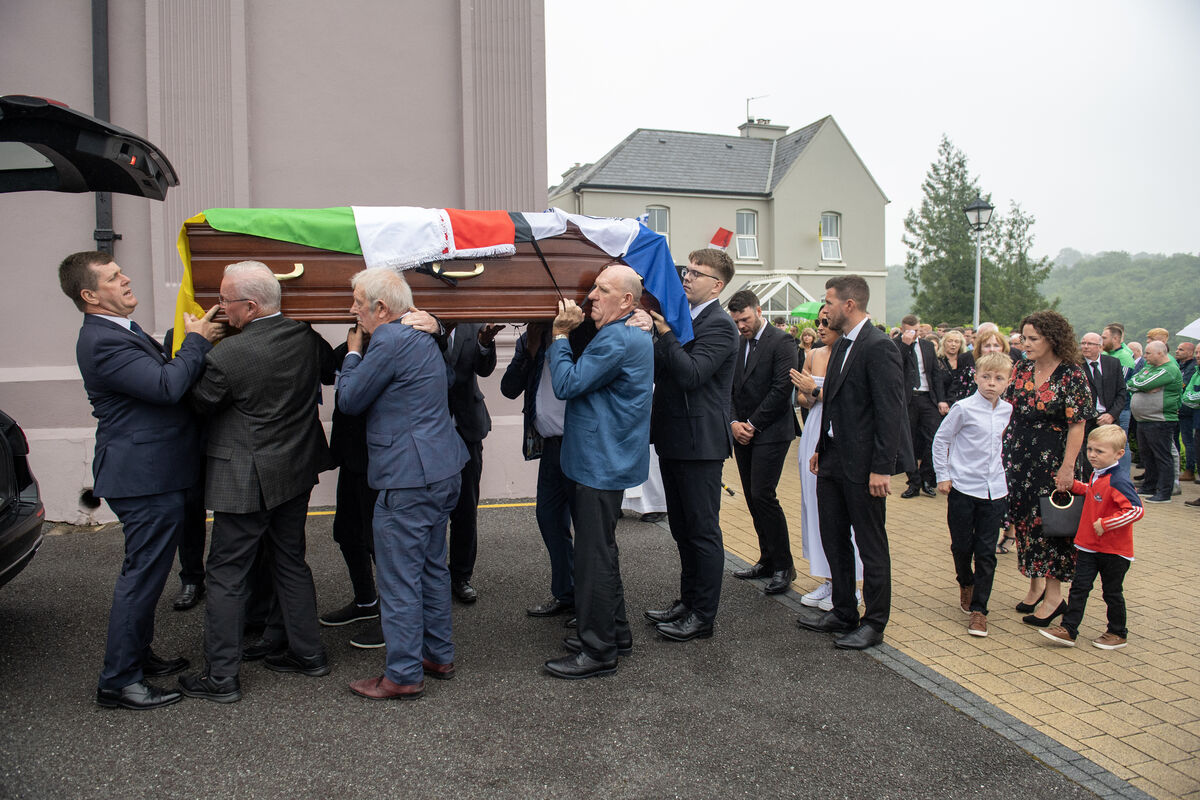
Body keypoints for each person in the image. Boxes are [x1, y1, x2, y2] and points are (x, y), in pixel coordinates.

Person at [60, 251, 220, 711]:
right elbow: (166, 386)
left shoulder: (118, 331)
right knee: (142, 578)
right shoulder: (101, 341)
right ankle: (119, 681)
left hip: (154, 471)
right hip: (143, 477)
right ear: (91, 295)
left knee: (146, 572)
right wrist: (195, 342)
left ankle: (138, 656)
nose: (126, 278)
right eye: (113, 277)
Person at [179, 261, 332, 704]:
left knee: (226, 574)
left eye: (225, 301)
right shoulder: (305, 335)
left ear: (250, 305)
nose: (219, 308)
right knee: (290, 560)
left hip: (244, 476)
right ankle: (309, 654)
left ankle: (221, 677)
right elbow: (327, 370)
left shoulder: (227, 355)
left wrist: (194, 343)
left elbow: (198, 404)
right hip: (295, 469)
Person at [336, 268, 469, 700]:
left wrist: (353, 354)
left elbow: (350, 400)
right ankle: (437, 654)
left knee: (398, 579)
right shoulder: (422, 334)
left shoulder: (388, 339)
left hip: (408, 478)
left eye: (357, 301)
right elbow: (447, 381)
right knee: (431, 567)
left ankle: (403, 673)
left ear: (380, 308)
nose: (352, 309)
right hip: (443, 468)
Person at [541, 265, 654, 679]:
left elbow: (567, 384)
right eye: (592, 288)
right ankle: (615, 633)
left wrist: (558, 335)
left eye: (602, 290)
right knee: (602, 551)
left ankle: (599, 650)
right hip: (605, 458)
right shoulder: (627, 332)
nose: (590, 296)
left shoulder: (617, 339)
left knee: (593, 558)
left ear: (627, 301)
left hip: (600, 461)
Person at [795, 275, 905, 650]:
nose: (824, 309)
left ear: (850, 305)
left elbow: (890, 412)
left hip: (864, 468)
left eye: (829, 301)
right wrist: (821, 447)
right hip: (832, 460)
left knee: (871, 545)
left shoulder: (878, 347)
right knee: (834, 537)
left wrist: (881, 468)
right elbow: (835, 402)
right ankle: (843, 610)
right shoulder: (841, 345)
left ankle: (874, 623)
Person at [642, 248, 739, 642]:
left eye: (696, 274)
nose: (686, 277)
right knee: (682, 528)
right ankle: (688, 601)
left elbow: (691, 375)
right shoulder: (686, 318)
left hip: (701, 443)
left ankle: (703, 616)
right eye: (686, 270)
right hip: (675, 438)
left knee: (702, 530)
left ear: (716, 285)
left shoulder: (719, 325)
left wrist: (665, 334)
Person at [1002, 310, 1094, 629]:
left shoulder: (1071, 374)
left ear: (1052, 339)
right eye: (1023, 337)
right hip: (1020, 455)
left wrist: (1068, 468)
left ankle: (1055, 598)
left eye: (1032, 339)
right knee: (1026, 522)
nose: (1025, 344)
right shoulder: (1022, 366)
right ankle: (1036, 585)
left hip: (1054, 457)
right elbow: (1007, 408)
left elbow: (1078, 424)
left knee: (1051, 525)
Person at [1039, 424, 1143, 649]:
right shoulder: (1098, 475)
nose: (1093, 456)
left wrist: (1106, 523)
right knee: (1079, 588)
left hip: (1114, 551)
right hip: (1088, 546)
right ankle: (1069, 629)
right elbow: (1094, 492)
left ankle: (1117, 632)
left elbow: (1136, 510)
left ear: (1119, 454)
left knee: (1112, 592)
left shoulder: (1119, 480)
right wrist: (1075, 486)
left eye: (1100, 452)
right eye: (1090, 450)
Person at [932, 352, 1013, 638]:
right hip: (964, 487)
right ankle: (965, 580)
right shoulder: (963, 408)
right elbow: (941, 440)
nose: (992, 383)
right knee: (962, 545)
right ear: (976, 377)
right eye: (986, 377)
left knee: (986, 551)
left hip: (995, 490)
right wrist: (943, 475)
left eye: (998, 379)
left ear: (1007, 382)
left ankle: (980, 610)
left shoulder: (1008, 411)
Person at [500, 321, 577, 618]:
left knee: (587, 527)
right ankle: (567, 592)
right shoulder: (530, 341)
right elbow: (508, 389)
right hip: (550, 448)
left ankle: (589, 604)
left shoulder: (578, 338)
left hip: (579, 444)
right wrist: (530, 350)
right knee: (549, 519)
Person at [727, 289, 798, 594]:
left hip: (771, 431)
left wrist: (753, 424)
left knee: (763, 494)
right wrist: (733, 423)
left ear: (758, 311)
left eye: (744, 319)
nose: (741, 325)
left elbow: (782, 389)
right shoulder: (738, 342)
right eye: (736, 320)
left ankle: (785, 566)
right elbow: (727, 387)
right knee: (753, 497)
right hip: (741, 431)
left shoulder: (782, 341)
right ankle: (767, 559)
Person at [790, 310, 863, 611]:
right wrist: (807, 394)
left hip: (839, 430)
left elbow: (847, 397)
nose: (820, 327)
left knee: (843, 511)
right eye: (817, 322)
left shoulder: (851, 355)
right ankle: (829, 579)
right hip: (814, 429)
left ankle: (853, 585)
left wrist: (815, 391)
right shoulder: (814, 355)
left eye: (825, 322)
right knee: (814, 506)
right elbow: (803, 400)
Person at [444, 321, 503, 604]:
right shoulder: (419, 323)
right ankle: (429, 575)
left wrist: (484, 343)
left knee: (466, 507)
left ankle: (461, 576)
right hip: (431, 431)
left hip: (467, 428)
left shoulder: (472, 324)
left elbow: (484, 368)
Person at [1127, 341, 1183, 503]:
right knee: (1147, 455)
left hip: (1160, 419)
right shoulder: (1150, 367)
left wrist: (1140, 385)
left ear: (1160, 353)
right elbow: (1132, 381)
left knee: (1162, 456)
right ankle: (1149, 485)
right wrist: (1141, 386)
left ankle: (1165, 492)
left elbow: (1143, 383)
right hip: (1144, 419)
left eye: (1148, 354)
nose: (1145, 357)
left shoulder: (1170, 369)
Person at [897, 315, 944, 499]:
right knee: (906, 441)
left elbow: (935, 374)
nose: (914, 334)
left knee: (935, 437)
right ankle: (913, 481)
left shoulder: (927, 346)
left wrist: (941, 399)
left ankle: (926, 477)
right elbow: (894, 366)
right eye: (910, 331)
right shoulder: (895, 345)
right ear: (902, 329)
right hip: (907, 399)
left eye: (916, 330)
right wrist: (905, 345)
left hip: (927, 397)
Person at [1078, 332, 1128, 478]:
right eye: (1083, 343)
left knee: (1110, 455)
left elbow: (1121, 391)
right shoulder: (1075, 364)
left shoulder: (1112, 363)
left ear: (1100, 346)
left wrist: (1112, 414)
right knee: (1088, 458)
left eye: (1090, 344)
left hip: (1109, 418)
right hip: (1087, 420)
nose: (1085, 347)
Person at [935, 330, 976, 413]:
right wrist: (942, 401)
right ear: (944, 343)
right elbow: (936, 382)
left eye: (957, 342)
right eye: (950, 341)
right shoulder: (937, 361)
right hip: (940, 402)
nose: (953, 344)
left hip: (961, 401)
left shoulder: (966, 360)